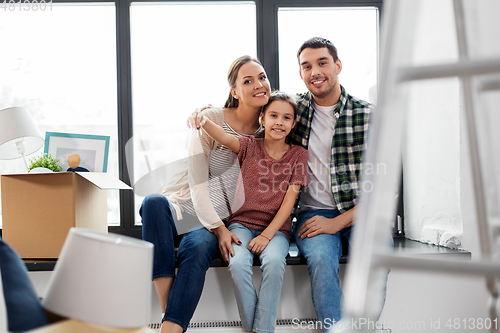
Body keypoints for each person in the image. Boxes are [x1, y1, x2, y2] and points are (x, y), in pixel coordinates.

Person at [140, 55, 271, 333]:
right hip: (185, 207)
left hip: (211, 220)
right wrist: (220, 230)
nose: (259, 84)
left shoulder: (268, 130)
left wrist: (220, 227)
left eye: (262, 77)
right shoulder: (210, 119)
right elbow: (198, 184)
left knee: (198, 246)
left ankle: (170, 329)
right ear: (234, 92)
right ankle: (167, 307)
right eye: (248, 80)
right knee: (152, 201)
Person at [188, 92, 308, 333]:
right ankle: (256, 329)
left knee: (274, 263)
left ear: (293, 124)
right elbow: (222, 135)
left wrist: (266, 236)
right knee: (237, 262)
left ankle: (260, 330)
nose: (279, 122)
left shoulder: (299, 155)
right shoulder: (248, 146)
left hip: (276, 231)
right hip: (241, 224)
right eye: (273, 115)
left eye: (286, 118)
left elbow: (289, 203)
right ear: (263, 117)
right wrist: (202, 118)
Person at [288, 37, 375, 331]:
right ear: (301, 74)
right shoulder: (293, 112)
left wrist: (337, 223)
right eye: (307, 66)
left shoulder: (368, 116)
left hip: (360, 213)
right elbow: (252, 123)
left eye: (322, 63)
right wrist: (211, 114)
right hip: (314, 214)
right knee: (323, 262)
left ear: (337, 65)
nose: (315, 72)